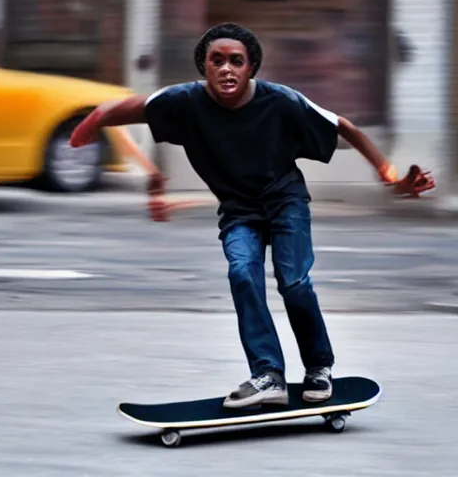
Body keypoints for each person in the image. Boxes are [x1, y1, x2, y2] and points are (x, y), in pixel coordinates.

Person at [70, 23, 434, 409]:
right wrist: (89, 124)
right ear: (204, 67)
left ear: (251, 68)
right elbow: (124, 109)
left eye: (236, 62)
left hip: (285, 201)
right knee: (242, 272)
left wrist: (389, 178)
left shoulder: (281, 101)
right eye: (217, 61)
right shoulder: (184, 101)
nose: (227, 69)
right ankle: (268, 374)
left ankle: (319, 367)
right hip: (238, 210)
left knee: (294, 282)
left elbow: (344, 127)